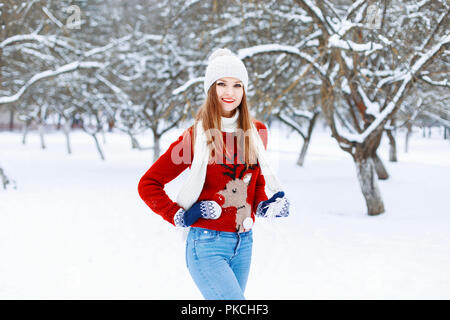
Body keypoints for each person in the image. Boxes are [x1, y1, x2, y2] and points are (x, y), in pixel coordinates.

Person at [138, 48, 290, 300]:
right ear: (211, 89)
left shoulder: (257, 132)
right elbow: (148, 184)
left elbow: (256, 183)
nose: (230, 92)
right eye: (222, 84)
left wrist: (265, 207)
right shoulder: (195, 137)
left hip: (244, 243)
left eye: (237, 85)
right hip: (206, 244)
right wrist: (181, 216)